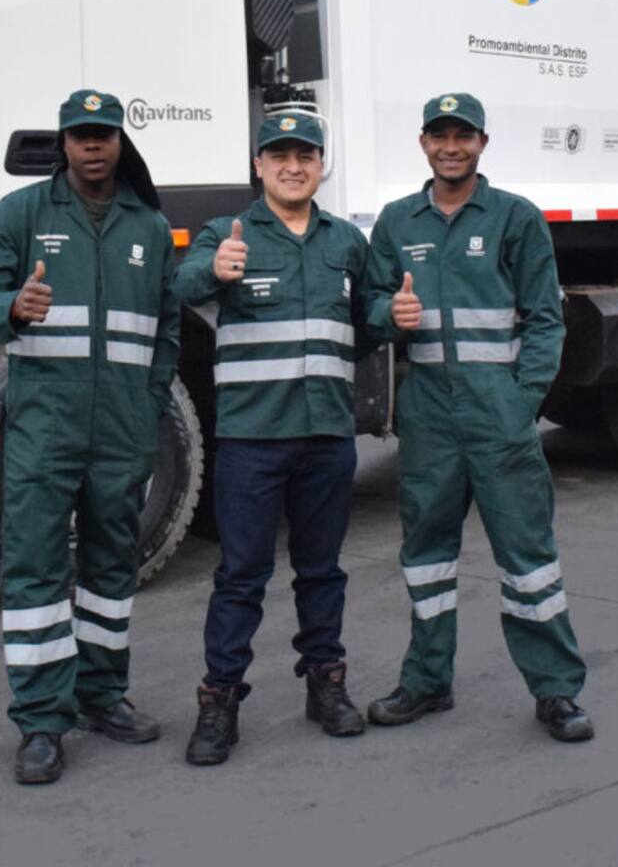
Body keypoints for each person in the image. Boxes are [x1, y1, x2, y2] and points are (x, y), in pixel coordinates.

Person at [0, 89, 180, 784]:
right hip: (44, 431)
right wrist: (10, 307)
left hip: (122, 431)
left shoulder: (148, 226)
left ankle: (102, 696)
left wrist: (148, 408)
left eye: (103, 134)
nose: (92, 145)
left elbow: (167, 329)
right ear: (62, 143)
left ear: (119, 142)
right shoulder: (23, 213)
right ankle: (40, 721)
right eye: (80, 135)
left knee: (113, 569)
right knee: (36, 569)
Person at [362, 92, 593, 742]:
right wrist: (388, 316)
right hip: (429, 416)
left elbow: (546, 320)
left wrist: (521, 403)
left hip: (497, 415)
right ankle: (427, 680)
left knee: (528, 558)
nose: (451, 147)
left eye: (463, 136)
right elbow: (371, 307)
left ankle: (556, 691)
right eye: (439, 135)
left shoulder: (515, 217)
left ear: (482, 143)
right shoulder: (397, 221)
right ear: (423, 143)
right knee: (426, 557)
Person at [173, 113, 369, 766]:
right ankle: (219, 702)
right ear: (258, 165)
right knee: (241, 576)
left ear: (321, 164)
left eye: (305, 155)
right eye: (279, 155)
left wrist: (394, 318)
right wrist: (214, 271)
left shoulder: (346, 241)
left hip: (327, 435)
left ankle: (326, 684)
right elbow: (180, 285)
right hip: (252, 439)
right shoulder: (227, 234)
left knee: (323, 571)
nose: (293, 166)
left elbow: (364, 322)